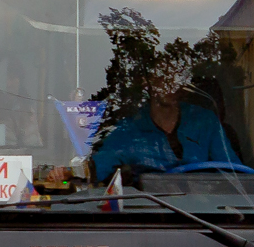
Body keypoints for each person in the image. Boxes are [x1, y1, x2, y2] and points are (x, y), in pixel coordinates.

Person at [91, 73, 242, 181]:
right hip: (154, 218)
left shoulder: (205, 121)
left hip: (206, 215)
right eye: (161, 76)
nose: (169, 83)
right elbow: (94, 172)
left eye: (176, 76)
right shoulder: (128, 131)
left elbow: (235, 174)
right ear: (146, 83)